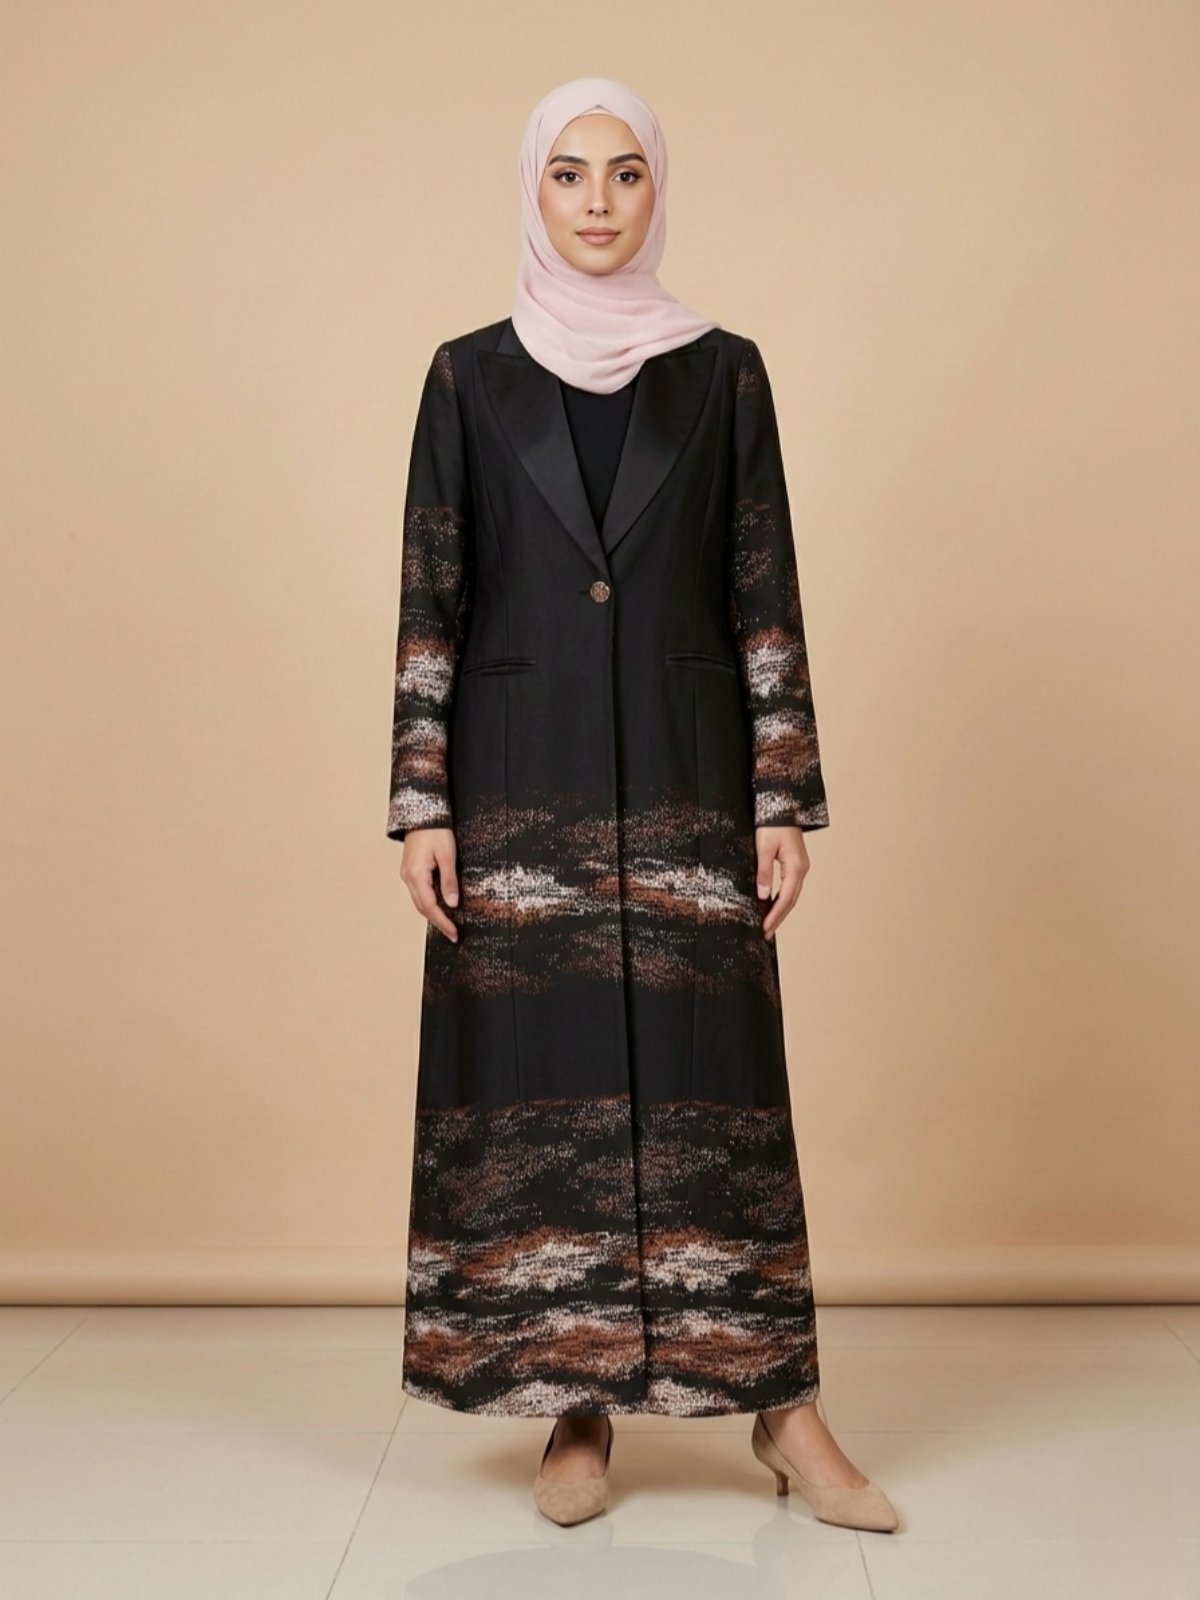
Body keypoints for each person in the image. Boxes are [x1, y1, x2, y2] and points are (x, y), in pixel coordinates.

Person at [387, 77, 898, 1534]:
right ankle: (575, 1401)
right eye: (569, 173)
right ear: (532, 193)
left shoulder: (723, 374)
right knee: (538, 1087)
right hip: (517, 792)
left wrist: (783, 790)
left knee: (714, 1092)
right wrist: (422, 801)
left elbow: (763, 587)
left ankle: (782, 1407)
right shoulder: (467, 377)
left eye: (625, 172)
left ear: (656, 190)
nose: (599, 201)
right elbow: (432, 593)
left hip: (689, 782)